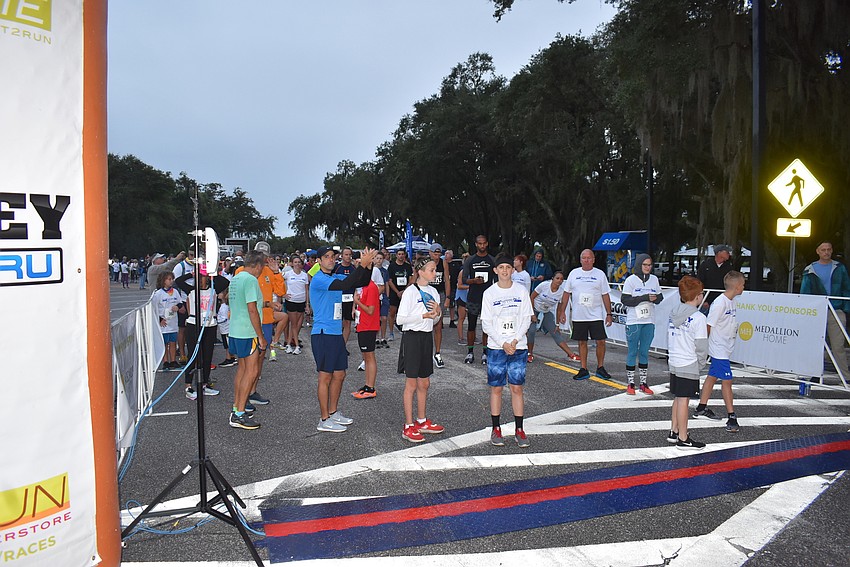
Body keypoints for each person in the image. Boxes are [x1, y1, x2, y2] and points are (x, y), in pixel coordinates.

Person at [310, 246, 377, 432]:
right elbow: (346, 284)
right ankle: (323, 420)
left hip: (335, 334)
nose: (331, 260)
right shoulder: (320, 279)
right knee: (325, 376)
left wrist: (368, 265)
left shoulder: (334, 277)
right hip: (323, 334)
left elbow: (361, 280)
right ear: (319, 260)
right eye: (327, 257)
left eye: (333, 257)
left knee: (340, 374)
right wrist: (362, 266)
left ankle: (333, 412)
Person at [481, 254, 534, 447]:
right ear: (495, 270)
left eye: (508, 267)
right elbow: (486, 323)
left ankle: (519, 429)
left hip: (518, 346)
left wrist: (514, 340)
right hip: (496, 347)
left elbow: (526, 318)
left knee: (516, 388)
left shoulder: (521, 291)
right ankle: (496, 428)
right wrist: (503, 342)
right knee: (496, 388)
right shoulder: (489, 293)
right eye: (501, 267)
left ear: (513, 270)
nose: (504, 270)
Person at [397, 256, 446, 442]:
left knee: (424, 383)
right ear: (421, 272)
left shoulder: (433, 291)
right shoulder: (410, 292)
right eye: (432, 270)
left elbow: (433, 321)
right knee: (411, 384)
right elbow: (400, 320)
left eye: (435, 270)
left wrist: (437, 314)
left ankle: (421, 420)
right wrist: (423, 314)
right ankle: (408, 425)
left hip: (426, 337)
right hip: (412, 338)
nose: (435, 273)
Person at [692, 271, 745, 432]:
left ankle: (701, 407)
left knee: (712, 376)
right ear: (736, 287)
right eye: (743, 285)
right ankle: (732, 416)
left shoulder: (732, 301)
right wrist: (702, 347)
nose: (744, 287)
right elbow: (708, 325)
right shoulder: (720, 303)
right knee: (727, 381)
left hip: (725, 346)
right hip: (718, 348)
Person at [558, 249, 614, 381]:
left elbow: (605, 295)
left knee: (600, 341)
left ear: (594, 259)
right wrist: (562, 312)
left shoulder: (600, 274)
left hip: (596, 315)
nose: (587, 260)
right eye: (584, 258)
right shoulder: (574, 273)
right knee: (582, 342)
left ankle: (600, 367)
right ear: (580, 259)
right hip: (579, 315)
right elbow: (566, 294)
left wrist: (609, 313)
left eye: (589, 258)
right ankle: (583, 369)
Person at [667, 276, 709, 450]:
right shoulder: (698, 318)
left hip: (675, 359)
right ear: (698, 296)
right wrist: (700, 364)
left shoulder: (675, 311)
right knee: (684, 400)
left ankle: (674, 430)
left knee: (678, 397)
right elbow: (701, 346)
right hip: (688, 361)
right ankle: (683, 439)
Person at [227, 251, 267, 430]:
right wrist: (260, 335)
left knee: (242, 370)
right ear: (258, 265)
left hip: (235, 329)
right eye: (262, 266)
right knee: (252, 371)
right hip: (247, 331)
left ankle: (237, 407)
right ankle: (239, 414)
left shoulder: (236, 278)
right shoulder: (251, 280)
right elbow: (252, 309)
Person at [174, 264, 224, 399]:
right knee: (193, 355)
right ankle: (188, 386)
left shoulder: (213, 289)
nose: (203, 279)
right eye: (201, 277)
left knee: (207, 355)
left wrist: (212, 273)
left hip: (210, 324)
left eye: (204, 277)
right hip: (194, 324)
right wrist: (192, 274)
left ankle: (204, 384)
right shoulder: (191, 289)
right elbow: (178, 281)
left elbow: (225, 282)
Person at [801, 241, 850, 375]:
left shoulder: (839, 268)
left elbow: (846, 288)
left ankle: (845, 375)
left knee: (838, 345)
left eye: (828, 249)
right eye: (823, 250)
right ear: (818, 251)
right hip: (817, 311)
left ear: (832, 250)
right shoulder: (810, 269)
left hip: (836, 308)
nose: (826, 252)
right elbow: (805, 292)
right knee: (815, 344)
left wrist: (845, 308)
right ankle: (814, 373)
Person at [621, 254, 664, 395]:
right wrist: (644, 298)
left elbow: (660, 297)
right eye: (645, 265)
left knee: (644, 352)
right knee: (633, 352)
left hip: (649, 321)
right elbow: (625, 300)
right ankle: (630, 384)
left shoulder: (654, 279)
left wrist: (655, 298)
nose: (647, 267)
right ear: (639, 265)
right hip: (634, 321)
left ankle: (644, 383)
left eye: (650, 265)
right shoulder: (631, 280)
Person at [527, 271, 580, 363]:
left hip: (546, 312)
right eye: (557, 278)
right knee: (531, 331)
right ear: (553, 279)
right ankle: (529, 353)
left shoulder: (561, 293)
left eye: (561, 280)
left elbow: (559, 309)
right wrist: (532, 314)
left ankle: (571, 354)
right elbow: (531, 297)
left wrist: (557, 324)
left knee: (555, 332)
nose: (559, 281)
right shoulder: (544, 285)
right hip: (534, 309)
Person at [462, 235, 496, 364]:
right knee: (471, 326)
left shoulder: (492, 260)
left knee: (486, 327)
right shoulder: (470, 260)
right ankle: (470, 353)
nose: (482, 246)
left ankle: (485, 353)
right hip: (473, 298)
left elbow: (497, 279)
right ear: (476, 244)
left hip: (488, 299)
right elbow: (464, 279)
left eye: (484, 243)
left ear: (487, 244)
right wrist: (474, 281)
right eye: (479, 244)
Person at [351, 278, 381, 399]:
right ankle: (367, 385)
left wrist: (357, 302)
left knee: (369, 356)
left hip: (369, 325)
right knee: (366, 357)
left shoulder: (371, 287)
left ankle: (371, 387)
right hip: (362, 324)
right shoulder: (363, 286)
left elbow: (370, 310)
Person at [152, 270, 182, 371]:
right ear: (163, 281)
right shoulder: (158, 294)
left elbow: (180, 303)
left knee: (173, 342)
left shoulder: (175, 292)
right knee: (164, 343)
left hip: (173, 321)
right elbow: (154, 308)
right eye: (169, 279)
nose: (171, 281)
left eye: (172, 279)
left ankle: (173, 360)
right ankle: (165, 361)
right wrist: (160, 319)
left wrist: (177, 307)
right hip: (164, 322)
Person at [428, 243, 451, 368]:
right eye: (434, 254)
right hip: (427, 294)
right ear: (430, 253)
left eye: (438, 254)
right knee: (425, 324)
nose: (436, 256)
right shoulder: (425, 263)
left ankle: (437, 353)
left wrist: (448, 298)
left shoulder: (443, 264)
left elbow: (447, 280)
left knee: (438, 324)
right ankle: (425, 353)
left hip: (439, 294)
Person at [282, 255, 310, 355]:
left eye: (299, 262)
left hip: (301, 301)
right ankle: (297, 345)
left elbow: (307, 290)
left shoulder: (304, 275)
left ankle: (289, 344)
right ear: (292, 263)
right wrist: (283, 294)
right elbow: (277, 281)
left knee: (298, 325)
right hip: (291, 301)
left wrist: (307, 304)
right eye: (295, 262)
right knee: (293, 324)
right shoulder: (288, 274)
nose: (297, 264)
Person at [386, 249, 413, 342]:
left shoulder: (408, 266)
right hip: (395, 292)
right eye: (399, 254)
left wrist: (405, 291)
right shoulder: (392, 266)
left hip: (406, 292)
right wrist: (397, 292)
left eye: (402, 254)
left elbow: (411, 279)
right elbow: (389, 280)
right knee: (392, 312)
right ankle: (391, 333)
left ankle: (405, 330)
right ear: (396, 255)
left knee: (406, 312)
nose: (401, 256)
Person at [334, 247, 357, 343]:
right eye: (346, 254)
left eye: (349, 255)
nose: (348, 257)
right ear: (341, 256)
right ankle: (337, 346)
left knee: (348, 323)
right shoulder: (336, 268)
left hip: (350, 299)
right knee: (338, 324)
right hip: (338, 299)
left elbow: (357, 285)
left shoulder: (354, 268)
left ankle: (343, 346)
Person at [216, 287, 237, 368]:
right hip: (225, 328)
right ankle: (232, 357)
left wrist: (217, 320)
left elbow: (224, 318)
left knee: (227, 344)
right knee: (227, 343)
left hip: (225, 328)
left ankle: (229, 358)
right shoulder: (225, 305)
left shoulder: (224, 306)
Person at [446, 249, 462, 327]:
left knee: (452, 304)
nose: (446, 255)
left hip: (453, 286)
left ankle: (452, 320)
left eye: (448, 254)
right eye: (445, 253)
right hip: (444, 286)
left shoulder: (455, 264)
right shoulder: (443, 264)